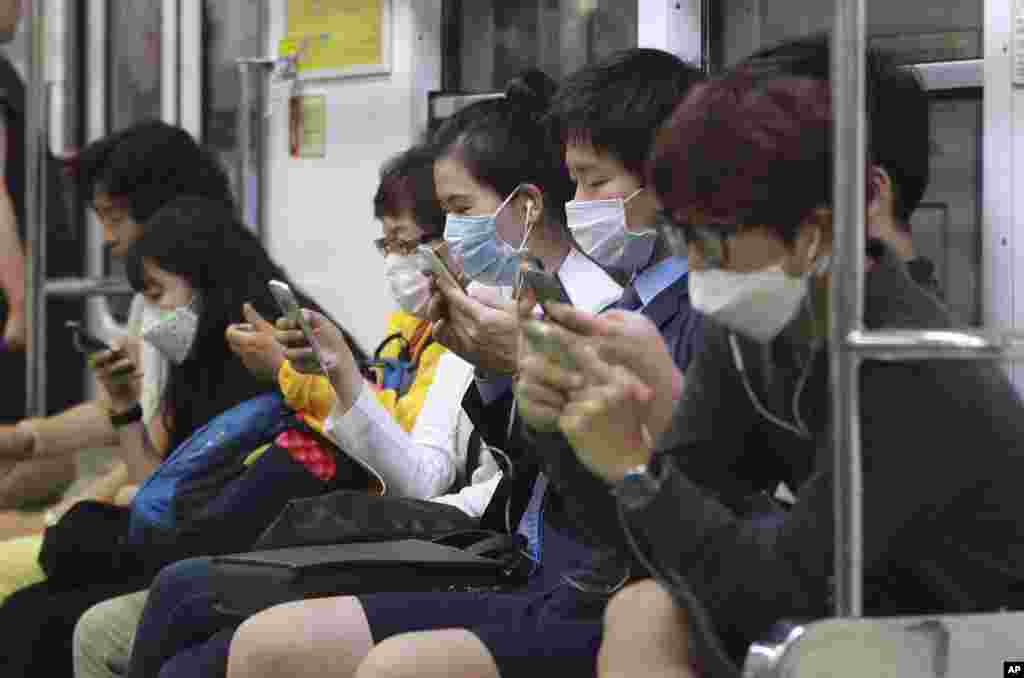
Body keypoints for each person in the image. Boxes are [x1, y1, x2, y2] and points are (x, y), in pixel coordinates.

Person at [105, 68, 623, 678]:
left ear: (528, 206)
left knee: (196, 614)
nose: (446, 245)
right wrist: (353, 375)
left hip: (510, 556)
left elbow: (537, 485)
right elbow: (446, 467)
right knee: (183, 611)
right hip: (486, 541)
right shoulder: (466, 316)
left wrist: (500, 365)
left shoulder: (596, 315)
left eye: (453, 217)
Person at [516, 59, 1024, 677]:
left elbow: (779, 597)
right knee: (644, 608)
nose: (698, 270)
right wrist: (566, 427)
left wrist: (635, 469)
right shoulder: (756, 330)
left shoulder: (909, 369)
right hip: (846, 634)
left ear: (812, 234)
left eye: (714, 242)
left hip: (969, 646)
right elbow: (652, 545)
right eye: (684, 239)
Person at [0, 195, 314, 677]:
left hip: (226, 557)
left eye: (157, 293)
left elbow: (220, 521)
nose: (150, 314)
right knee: (30, 608)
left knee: (45, 618)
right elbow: (160, 487)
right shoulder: (199, 371)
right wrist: (125, 405)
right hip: (176, 548)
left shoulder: (289, 375)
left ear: (209, 284)